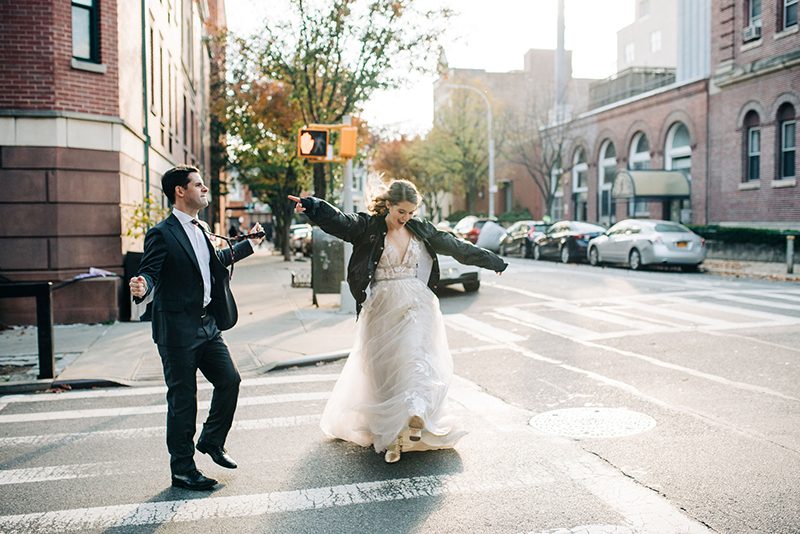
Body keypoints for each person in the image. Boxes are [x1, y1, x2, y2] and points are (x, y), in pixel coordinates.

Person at [288, 180, 507, 463]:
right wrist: (314, 206)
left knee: (415, 359)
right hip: (380, 307)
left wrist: (492, 261)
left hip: (417, 304)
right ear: (389, 205)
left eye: (411, 213)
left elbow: (454, 246)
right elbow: (340, 222)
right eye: (401, 212)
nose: (405, 218)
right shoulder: (368, 227)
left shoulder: (419, 229)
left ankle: (415, 413)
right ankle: (392, 435)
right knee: (385, 371)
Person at [130, 165, 263, 491]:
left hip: (207, 324)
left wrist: (250, 243)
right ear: (180, 191)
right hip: (177, 329)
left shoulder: (200, 227)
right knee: (183, 400)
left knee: (230, 380)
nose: (205, 189)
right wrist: (142, 285)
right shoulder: (162, 233)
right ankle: (183, 469)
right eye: (199, 185)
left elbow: (213, 261)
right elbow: (151, 271)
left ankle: (212, 440)